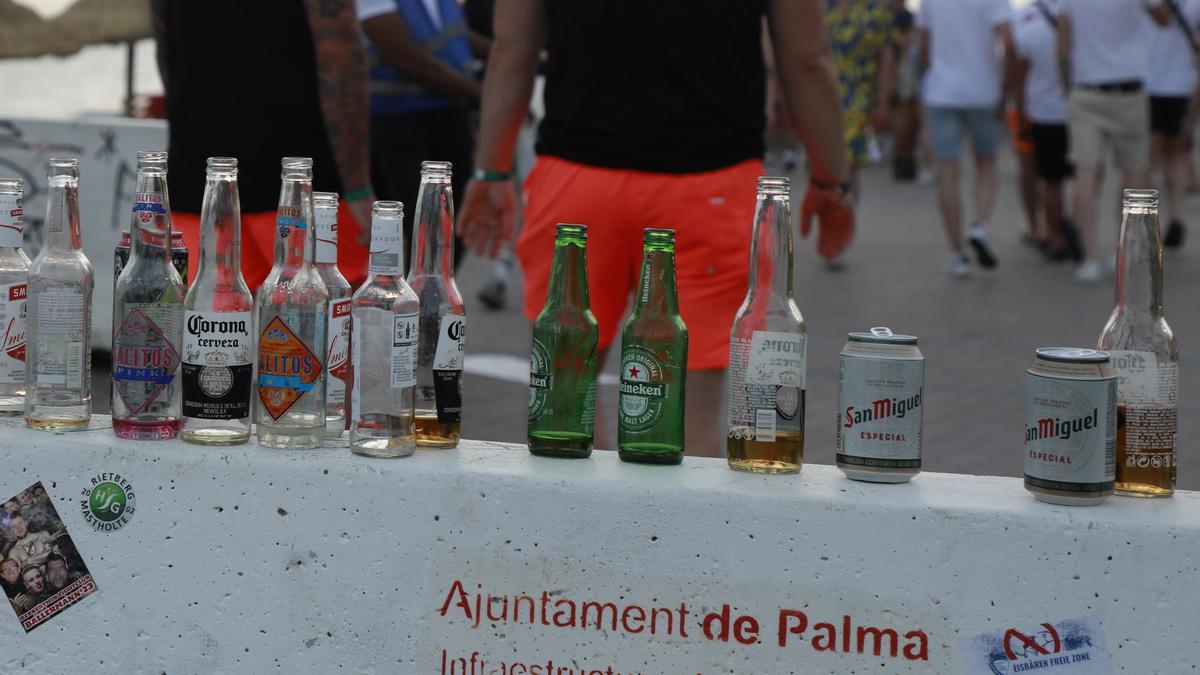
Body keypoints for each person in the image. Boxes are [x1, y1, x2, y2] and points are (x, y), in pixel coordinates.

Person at [457, 0, 853, 457]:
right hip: (708, 183)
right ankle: (676, 529)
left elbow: (511, 47)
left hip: (578, 178)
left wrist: (491, 169)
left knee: (566, 393)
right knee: (690, 406)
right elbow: (807, 60)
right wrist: (830, 182)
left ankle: (580, 525)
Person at [152, 0, 375, 289]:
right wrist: (358, 186)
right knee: (329, 319)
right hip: (296, 182)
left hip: (200, 178)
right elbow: (339, 54)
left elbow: (164, 46)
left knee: (214, 325)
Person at [358, 0, 488, 270]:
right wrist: (486, 94)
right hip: (396, 122)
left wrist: (512, 55)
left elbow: (453, 35)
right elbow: (402, 54)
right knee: (412, 223)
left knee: (454, 219)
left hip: (448, 116)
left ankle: (432, 297)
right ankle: (405, 302)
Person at [1058, 0, 1172, 282]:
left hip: (1086, 88)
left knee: (1086, 173)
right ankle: (1123, 252)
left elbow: (1062, 47)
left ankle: (1089, 257)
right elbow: (1164, 18)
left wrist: (1066, 85)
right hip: (1129, 89)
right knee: (1133, 174)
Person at [918, 0, 1013, 279]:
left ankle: (958, 254)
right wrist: (1004, 86)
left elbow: (924, 48)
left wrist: (935, 74)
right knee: (986, 163)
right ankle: (980, 224)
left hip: (942, 92)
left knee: (947, 172)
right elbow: (1008, 40)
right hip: (983, 92)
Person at [1012, 0, 1078, 261]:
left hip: (1042, 111)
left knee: (1050, 180)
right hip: (1080, 109)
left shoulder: (1025, 19)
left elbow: (1019, 76)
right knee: (1087, 175)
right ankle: (1074, 222)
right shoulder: (1080, 13)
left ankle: (1053, 235)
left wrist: (1019, 115)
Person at [826, 0, 897, 205]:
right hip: (822, 97)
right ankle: (832, 221)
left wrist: (884, 102)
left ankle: (842, 224)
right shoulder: (820, 7)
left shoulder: (876, 9)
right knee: (822, 167)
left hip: (858, 99)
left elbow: (886, 58)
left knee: (847, 168)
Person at [1147, 0, 1200, 248]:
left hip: (1144, 82)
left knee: (1148, 156)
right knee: (1177, 151)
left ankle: (1148, 218)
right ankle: (1175, 217)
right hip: (1181, 84)